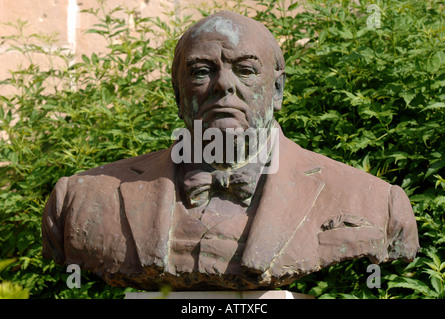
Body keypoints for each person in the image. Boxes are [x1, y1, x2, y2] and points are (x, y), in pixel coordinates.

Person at [42, 10, 419, 291]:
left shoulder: (373, 202)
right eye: (201, 71)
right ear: (178, 93)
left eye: (246, 70)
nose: (224, 85)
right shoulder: (81, 200)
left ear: (277, 91)